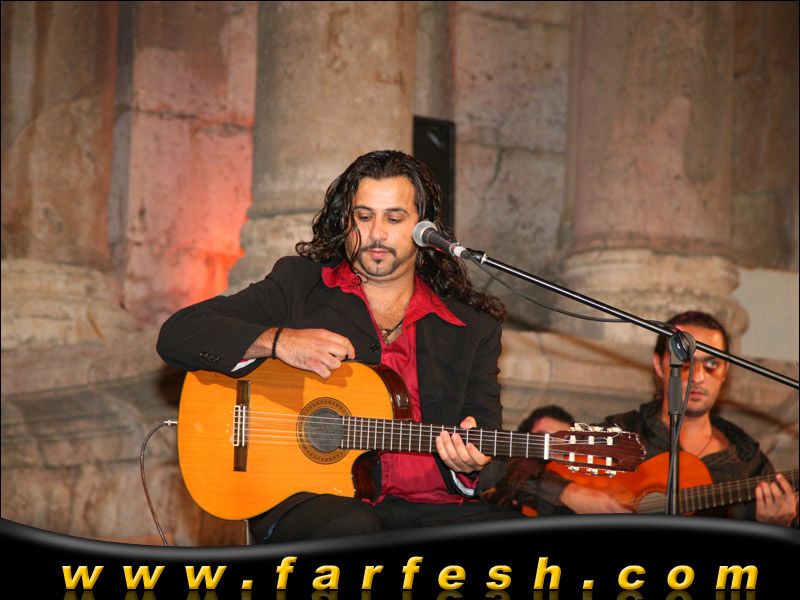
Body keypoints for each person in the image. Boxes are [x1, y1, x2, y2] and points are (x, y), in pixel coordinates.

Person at [157, 150, 523, 542]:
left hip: (436, 509)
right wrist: (279, 341)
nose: (376, 233)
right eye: (363, 217)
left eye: (394, 218)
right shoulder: (300, 286)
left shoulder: (472, 329)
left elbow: (486, 442)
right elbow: (179, 334)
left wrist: (471, 465)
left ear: (424, 229)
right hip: (314, 502)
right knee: (354, 527)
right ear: (345, 221)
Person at [512, 311, 798, 526]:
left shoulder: (747, 463)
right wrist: (573, 494)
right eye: (685, 361)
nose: (699, 376)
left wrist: (777, 526)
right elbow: (516, 467)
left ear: (725, 372)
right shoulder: (623, 433)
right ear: (659, 365)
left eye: (712, 364)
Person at [480, 405, 575, 514]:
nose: (550, 447)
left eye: (562, 444)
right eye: (542, 437)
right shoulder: (495, 467)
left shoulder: (567, 480)